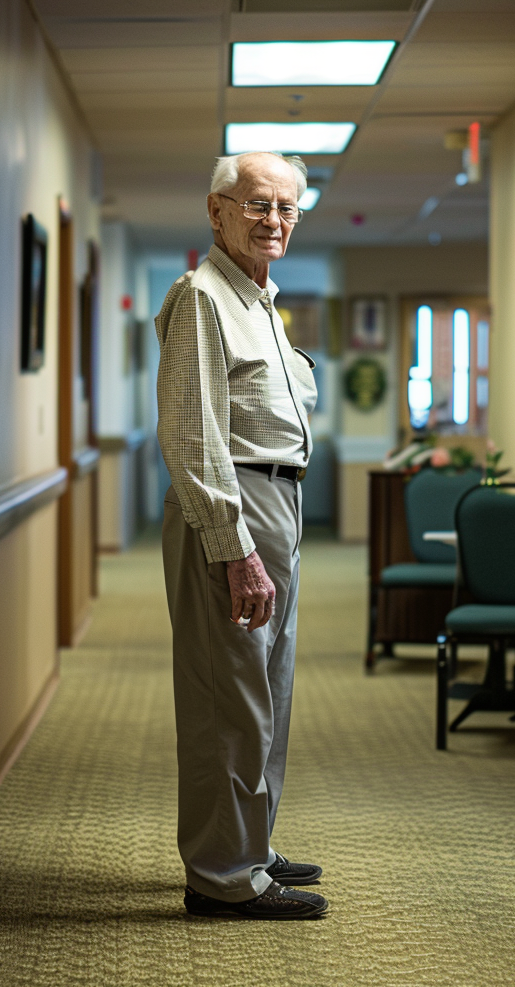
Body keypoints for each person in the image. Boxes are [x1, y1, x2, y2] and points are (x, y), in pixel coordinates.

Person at [155, 151, 328, 920]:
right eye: (259, 204)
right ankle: (223, 875)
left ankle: (251, 845)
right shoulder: (201, 296)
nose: (275, 220)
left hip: (278, 504)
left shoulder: (260, 301)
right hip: (234, 509)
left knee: (268, 689)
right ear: (217, 210)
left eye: (287, 207)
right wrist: (236, 548)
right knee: (229, 696)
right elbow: (194, 438)